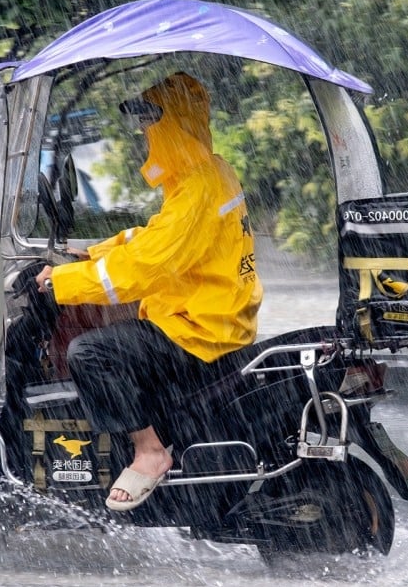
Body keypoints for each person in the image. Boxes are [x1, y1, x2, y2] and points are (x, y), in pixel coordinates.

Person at [35, 72, 262, 511]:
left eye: (151, 126)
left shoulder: (198, 189)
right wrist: (91, 251)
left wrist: (63, 282)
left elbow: (150, 266)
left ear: (173, 127)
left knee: (90, 354)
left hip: (198, 329)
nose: (144, 135)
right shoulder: (207, 174)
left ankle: (150, 451)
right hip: (213, 316)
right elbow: (157, 237)